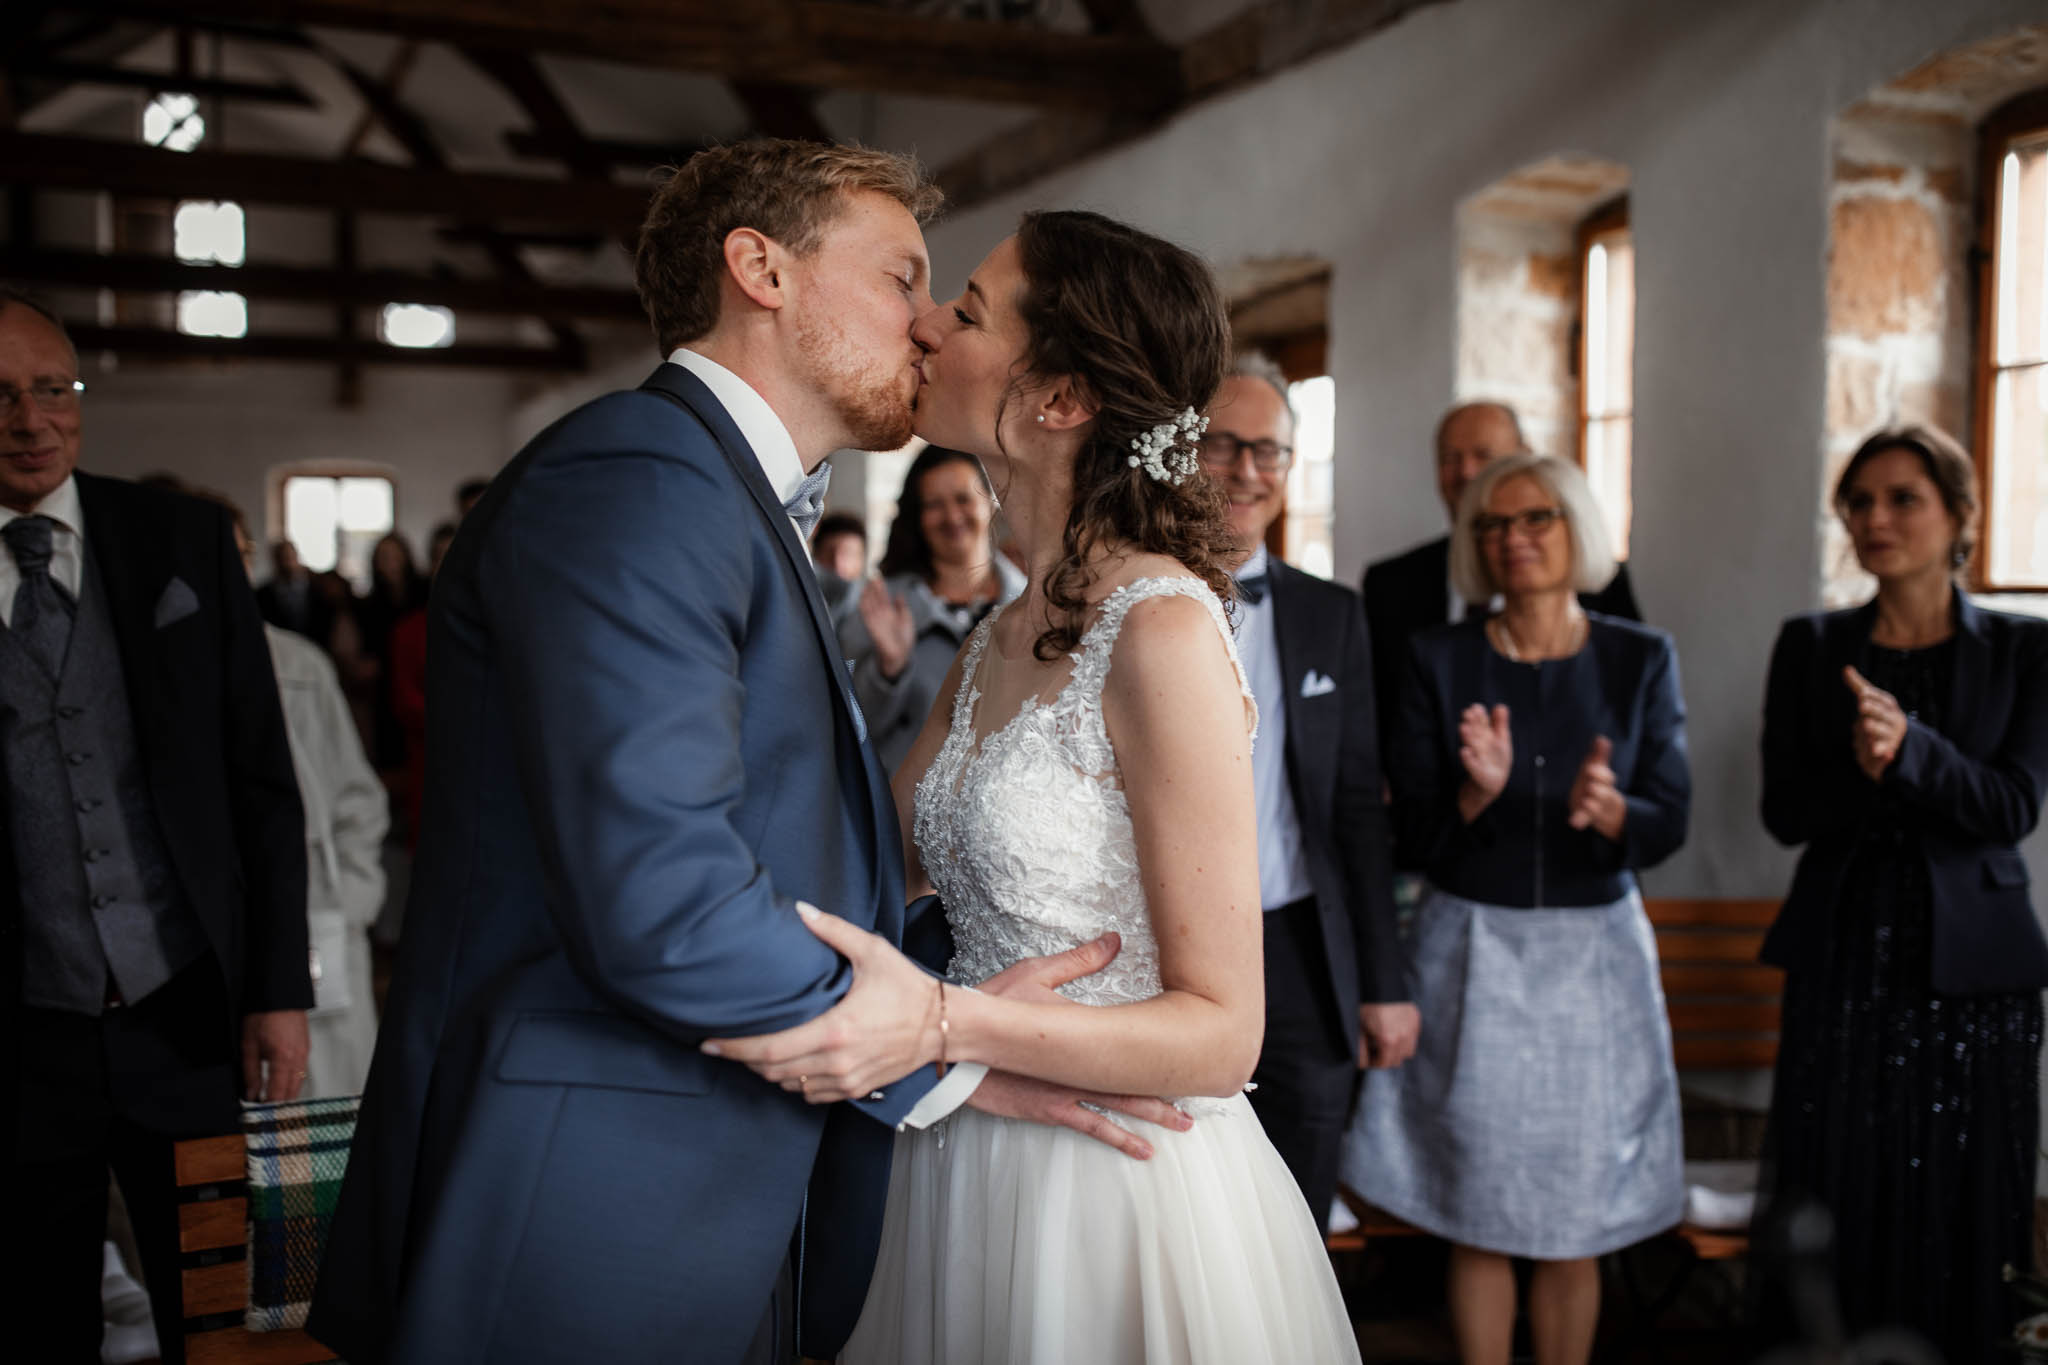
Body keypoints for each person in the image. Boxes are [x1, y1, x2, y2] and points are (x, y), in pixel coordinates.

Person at [309, 141, 1173, 1365]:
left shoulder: (713, 494)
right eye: (899, 278)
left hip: (705, 1175)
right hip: (589, 1197)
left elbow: (792, 838)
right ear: (759, 269)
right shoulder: (638, 477)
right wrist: (936, 1046)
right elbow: (662, 896)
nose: (929, 325)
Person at [712, 210, 1362, 1364]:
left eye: (961, 311)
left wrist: (946, 1022)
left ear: (1058, 399)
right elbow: (869, 865)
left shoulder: (1158, 631)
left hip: (1118, 1194)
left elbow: (1222, 1033)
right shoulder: (995, 636)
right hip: (967, 1158)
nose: (920, 323)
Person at [0, 287, 311, 1363]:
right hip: (24, 1032)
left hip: (185, 1011)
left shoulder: (175, 539)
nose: (30, 419)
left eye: (52, 388)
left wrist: (277, 991)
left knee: (228, 1312)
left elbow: (263, 786)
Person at [1352, 452, 1687, 1365]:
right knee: (1483, 1206)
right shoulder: (1439, 655)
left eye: (1535, 517)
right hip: (1476, 947)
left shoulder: (1638, 655)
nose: (1513, 539)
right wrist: (1475, 794)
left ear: (1576, 526)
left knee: (1573, 1216)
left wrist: (1617, 812)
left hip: (1595, 956)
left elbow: (1672, 813)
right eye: (1492, 525)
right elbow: (1412, 828)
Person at [1755, 425, 2048, 1364]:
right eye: (1860, 501)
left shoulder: (2025, 649)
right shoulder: (1811, 646)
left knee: (1966, 1197)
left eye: (1903, 498)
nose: (1876, 519)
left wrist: (1914, 752)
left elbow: (2013, 806)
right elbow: (1785, 812)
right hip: (1845, 963)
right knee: (1839, 1187)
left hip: (1977, 980)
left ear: (1960, 514)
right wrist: (1865, 763)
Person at [1202, 351, 1412, 1234]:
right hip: (1162, 941)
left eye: (1271, 450)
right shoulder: (1121, 598)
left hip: (1299, 943)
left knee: (1299, 1204)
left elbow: (1358, 807)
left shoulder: (1335, 614)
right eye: (1223, 444)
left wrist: (1383, 979)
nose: (1248, 470)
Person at [219, 493, 391, 1097]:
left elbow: (355, 798)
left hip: (315, 926)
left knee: (313, 1128)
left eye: (238, 552)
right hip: (207, 950)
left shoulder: (295, 665)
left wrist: (351, 904)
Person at [1361, 401, 1641, 763]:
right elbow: (1374, 711)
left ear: (1523, 458)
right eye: (1449, 458)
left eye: (1484, 455)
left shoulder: (1602, 588)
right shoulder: (1390, 585)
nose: (1467, 472)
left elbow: (1630, 718)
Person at [837, 445, 1025, 773]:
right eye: (934, 505)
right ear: (918, 516)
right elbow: (846, 730)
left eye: (963, 499)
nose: (952, 516)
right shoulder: (879, 607)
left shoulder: (1035, 599)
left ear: (991, 500)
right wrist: (888, 670)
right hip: (907, 812)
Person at [353, 531, 425, 772]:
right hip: (386, 687)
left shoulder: (424, 595)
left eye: (394, 556)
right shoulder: (369, 604)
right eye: (383, 557)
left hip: (421, 681)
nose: (389, 563)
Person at [256, 537, 328, 643]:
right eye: (283, 558)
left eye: (290, 558)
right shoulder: (263, 594)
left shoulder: (318, 590)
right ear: (275, 560)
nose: (287, 564)